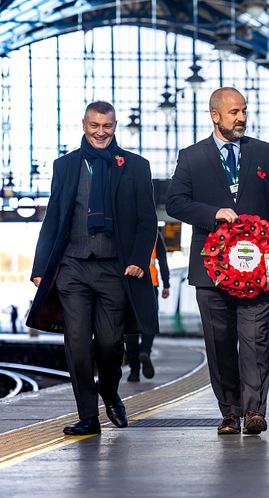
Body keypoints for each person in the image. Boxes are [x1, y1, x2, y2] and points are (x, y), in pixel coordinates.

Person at [166, 87, 269, 435]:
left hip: (258, 272)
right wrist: (211, 214)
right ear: (215, 115)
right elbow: (175, 203)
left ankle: (254, 412)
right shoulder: (192, 157)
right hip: (210, 273)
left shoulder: (265, 154)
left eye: (244, 111)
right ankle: (229, 411)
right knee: (219, 343)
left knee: (254, 341)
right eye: (234, 112)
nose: (241, 118)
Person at [27, 101, 158, 436]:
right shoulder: (66, 165)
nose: (101, 133)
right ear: (84, 124)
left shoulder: (135, 166)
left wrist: (138, 260)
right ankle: (88, 416)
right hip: (72, 267)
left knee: (111, 344)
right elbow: (54, 217)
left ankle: (110, 392)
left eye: (107, 127)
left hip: (115, 269)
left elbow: (147, 220)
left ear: (115, 127)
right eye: (94, 126)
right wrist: (41, 266)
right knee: (78, 343)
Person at [125, 232, 170, 382]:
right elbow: (163, 261)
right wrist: (167, 285)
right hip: (151, 285)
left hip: (129, 284)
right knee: (149, 322)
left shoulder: (126, 231)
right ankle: (144, 350)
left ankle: (134, 372)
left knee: (130, 327)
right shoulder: (155, 235)